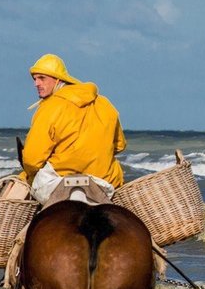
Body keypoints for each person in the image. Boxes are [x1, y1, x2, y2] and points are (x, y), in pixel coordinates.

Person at [19, 54, 127, 202]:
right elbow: (120, 145)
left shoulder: (50, 106)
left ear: (58, 79)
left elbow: (32, 160)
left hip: (59, 182)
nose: (36, 83)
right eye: (35, 79)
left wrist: (28, 175)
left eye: (42, 78)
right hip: (104, 184)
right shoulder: (104, 103)